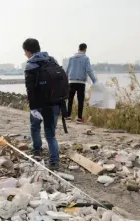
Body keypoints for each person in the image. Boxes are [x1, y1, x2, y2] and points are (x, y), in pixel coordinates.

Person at [23, 38, 68, 170]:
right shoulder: (52, 60)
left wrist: (32, 107)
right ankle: (54, 161)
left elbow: (30, 89)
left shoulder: (30, 65)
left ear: (27, 51)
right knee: (50, 133)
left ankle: (37, 149)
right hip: (55, 103)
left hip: (39, 104)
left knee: (35, 127)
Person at [66, 43, 96, 123]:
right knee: (80, 100)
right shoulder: (86, 58)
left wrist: (65, 80)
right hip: (81, 82)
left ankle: (68, 116)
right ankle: (79, 118)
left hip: (71, 81)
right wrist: (94, 81)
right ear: (85, 49)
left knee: (70, 99)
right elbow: (89, 70)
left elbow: (67, 70)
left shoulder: (71, 58)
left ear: (78, 49)